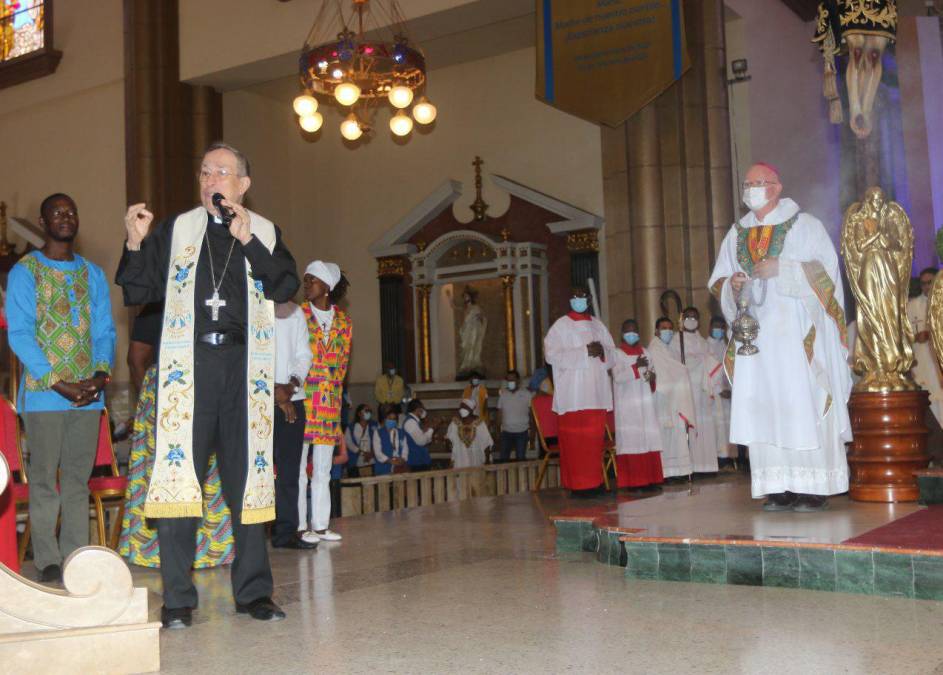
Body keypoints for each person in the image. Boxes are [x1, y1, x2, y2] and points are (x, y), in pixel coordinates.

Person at [116, 142, 299, 627]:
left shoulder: (263, 231)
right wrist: (135, 241)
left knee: (249, 483)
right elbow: (140, 289)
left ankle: (254, 593)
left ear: (243, 185)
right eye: (204, 172)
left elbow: (284, 287)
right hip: (189, 368)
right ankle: (177, 599)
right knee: (178, 483)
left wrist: (249, 242)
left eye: (221, 172)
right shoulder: (178, 229)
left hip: (245, 370)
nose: (210, 180)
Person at [708, 162, 852, 511]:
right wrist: (733, 285)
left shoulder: (805, 226)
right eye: (747, 183)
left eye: (758, 182)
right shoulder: (736, 233)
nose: (751, 189)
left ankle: (812, 488)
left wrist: (783, 269)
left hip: (797, 336)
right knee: (765, 407)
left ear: (776, 186)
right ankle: (778, 487)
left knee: (801, 401)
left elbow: (828, 277)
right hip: (757, 339)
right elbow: (719, 281)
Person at [7, 193, 116, 583]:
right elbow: (19, 334)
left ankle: (77, 555)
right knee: (43, 481)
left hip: (87, 397)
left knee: (76, 480)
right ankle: (48, 560)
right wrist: (59, 383)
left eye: (71, 211)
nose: (65, 217)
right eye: (57, 212)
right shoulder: (25, 271)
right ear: (43, 220)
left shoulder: (93, 274)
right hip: (43, 395)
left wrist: (100, 377)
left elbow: (104, 331)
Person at [119, 320, 235, 569]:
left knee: (211, 469)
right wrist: (153, 397)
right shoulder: (159, 303)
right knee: (165, 471)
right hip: (166, 388)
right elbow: (135, 358)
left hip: (212, 382)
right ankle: (154, 551)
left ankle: (213, 549)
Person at [298, 261, 351, 545]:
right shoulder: (298, 315)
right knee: (297, 469)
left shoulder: (344, 322)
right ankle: (298, 526)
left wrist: (336, 399)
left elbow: (342, 365)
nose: (306, 284)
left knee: (322, 469)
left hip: (329, 404)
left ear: (327, 287)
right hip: (302, 400)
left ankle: (320, 526)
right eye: (305, 280)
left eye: (312, 280)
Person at [543, 286, 615, 494]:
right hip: (573, 395)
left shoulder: (598, 325)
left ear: (589, 300)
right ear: (570, 300)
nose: (579, 300)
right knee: (575, 443)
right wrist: (584, 351)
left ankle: (595, 482)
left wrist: (603, 352)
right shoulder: (561, 326)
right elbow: (552, 355)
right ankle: (578, 486)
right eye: (575, 296)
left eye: (583, 297)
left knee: (593, 442)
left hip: (595, 393)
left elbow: (613, 355)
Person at [270, 300, 315, 550]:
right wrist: (273, 393)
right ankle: (251, 533)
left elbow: (303, 354)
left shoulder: (295, 311)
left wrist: (289, 387)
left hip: (292, 397)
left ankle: (285, 532)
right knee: (257, 470)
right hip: (257, 398)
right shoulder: (251, 303)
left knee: (289, 470)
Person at [611, 319, 664, 490]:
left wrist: (652, 378)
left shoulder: (647, 353)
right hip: (628, 405)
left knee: (648, 438)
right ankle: (634, 482)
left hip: (646, 403)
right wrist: (635, 367)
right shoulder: (617, 354)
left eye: (634, 331)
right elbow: (618, 377)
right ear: (622, 334)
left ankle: (651, 479)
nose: (631, 334)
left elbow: (652, 376)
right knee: (633, 441)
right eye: (628, 331)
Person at [672, 307, 722, 474]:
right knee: (690, 426)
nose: (691, 320)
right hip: (687, 390)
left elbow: (712, 362)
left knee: (705, 427)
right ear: (682, 319)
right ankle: (691, 467)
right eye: (688, 317)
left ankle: (706, 466)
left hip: (702, 391)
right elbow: (675, 363)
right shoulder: (675, 340)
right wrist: (697, 363)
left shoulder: (703, 342)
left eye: (695, 317)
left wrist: (704, 362)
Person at [647, 318, 696, 479]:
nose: (667, 331)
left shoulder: (669, 348)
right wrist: (683, 370)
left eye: (670, 328)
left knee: (676, 435)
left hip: (673, 397)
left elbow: (674, 367)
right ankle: (666, 472)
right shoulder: (655, 348)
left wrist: (681, 370)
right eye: (663, 328)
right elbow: (666, 370)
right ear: (656, 331)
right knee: (665, 436)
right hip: (662, 397)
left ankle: (677, 471)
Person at [908, 268, 943, 425]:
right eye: (923, 284)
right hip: (922, 362)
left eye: (930, 282)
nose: (927, 287)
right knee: (929, 399)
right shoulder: (912, 306)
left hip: (939, 360)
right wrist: (917, 337)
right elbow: (903, 337)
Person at [706, 316, 736, 464]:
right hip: (713, 393)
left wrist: (729, 388)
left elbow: (730, 370)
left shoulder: (726, 346)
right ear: (709, 327)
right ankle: (717, 459)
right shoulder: (705, 347)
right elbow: (706, 371)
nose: (718, 330)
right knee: (716, 426)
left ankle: (728, 457)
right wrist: (718, 389)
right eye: (715, 326)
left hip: (727, 393)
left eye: (721, 327)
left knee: (727, 425)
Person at [497, 370, 533, 461]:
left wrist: (533, 432)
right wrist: (498, 432)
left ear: (518, 381)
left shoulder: (527, 394)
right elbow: (499, 414)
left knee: (520, 459)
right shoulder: (503, 395)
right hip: (506, 432)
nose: (511, 382)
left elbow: (532, 414)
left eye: (513, 380)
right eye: (509, 380)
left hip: (522, 432)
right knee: (503, 459)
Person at [446, 399, 493, 468]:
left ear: (471, 409)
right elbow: (449, 442)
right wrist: (448, 442)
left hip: (476, 461)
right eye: (461, 407)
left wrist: (487, 461)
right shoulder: (454, 424)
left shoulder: (480, 424)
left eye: (464, 407)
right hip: (460, 461)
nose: (462, 409)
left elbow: (487, 443)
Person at [372, 404, 406, 475]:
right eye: (390, 419)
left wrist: (402, 459)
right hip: (383, 468)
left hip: (399, 468)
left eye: (394, 419)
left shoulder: (401, 432)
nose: (392, 421)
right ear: (385, 419)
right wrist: (390, 461)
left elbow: (405, 449)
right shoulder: (378, 433)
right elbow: (378, 453)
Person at [345, 404, 377, 476]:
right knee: (357, 485)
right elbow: (349, 443)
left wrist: (372, 453)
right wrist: (363, 453)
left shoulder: (374, 425)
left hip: (371, 460)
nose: (368, 412)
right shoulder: (351, 427)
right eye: (366, 411)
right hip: (356, 461)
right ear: (359, 413)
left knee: (372, 484)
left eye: (369, 411)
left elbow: (378, 441)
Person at [402, 399, 434, 471]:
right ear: (417, 410)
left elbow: (425, 438)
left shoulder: (415, 422)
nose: (424, 411)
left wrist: (427, 432)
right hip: (416, 462)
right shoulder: (410, 422)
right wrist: (431, 429)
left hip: (421, 461)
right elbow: (421, 441)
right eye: (422, 409)